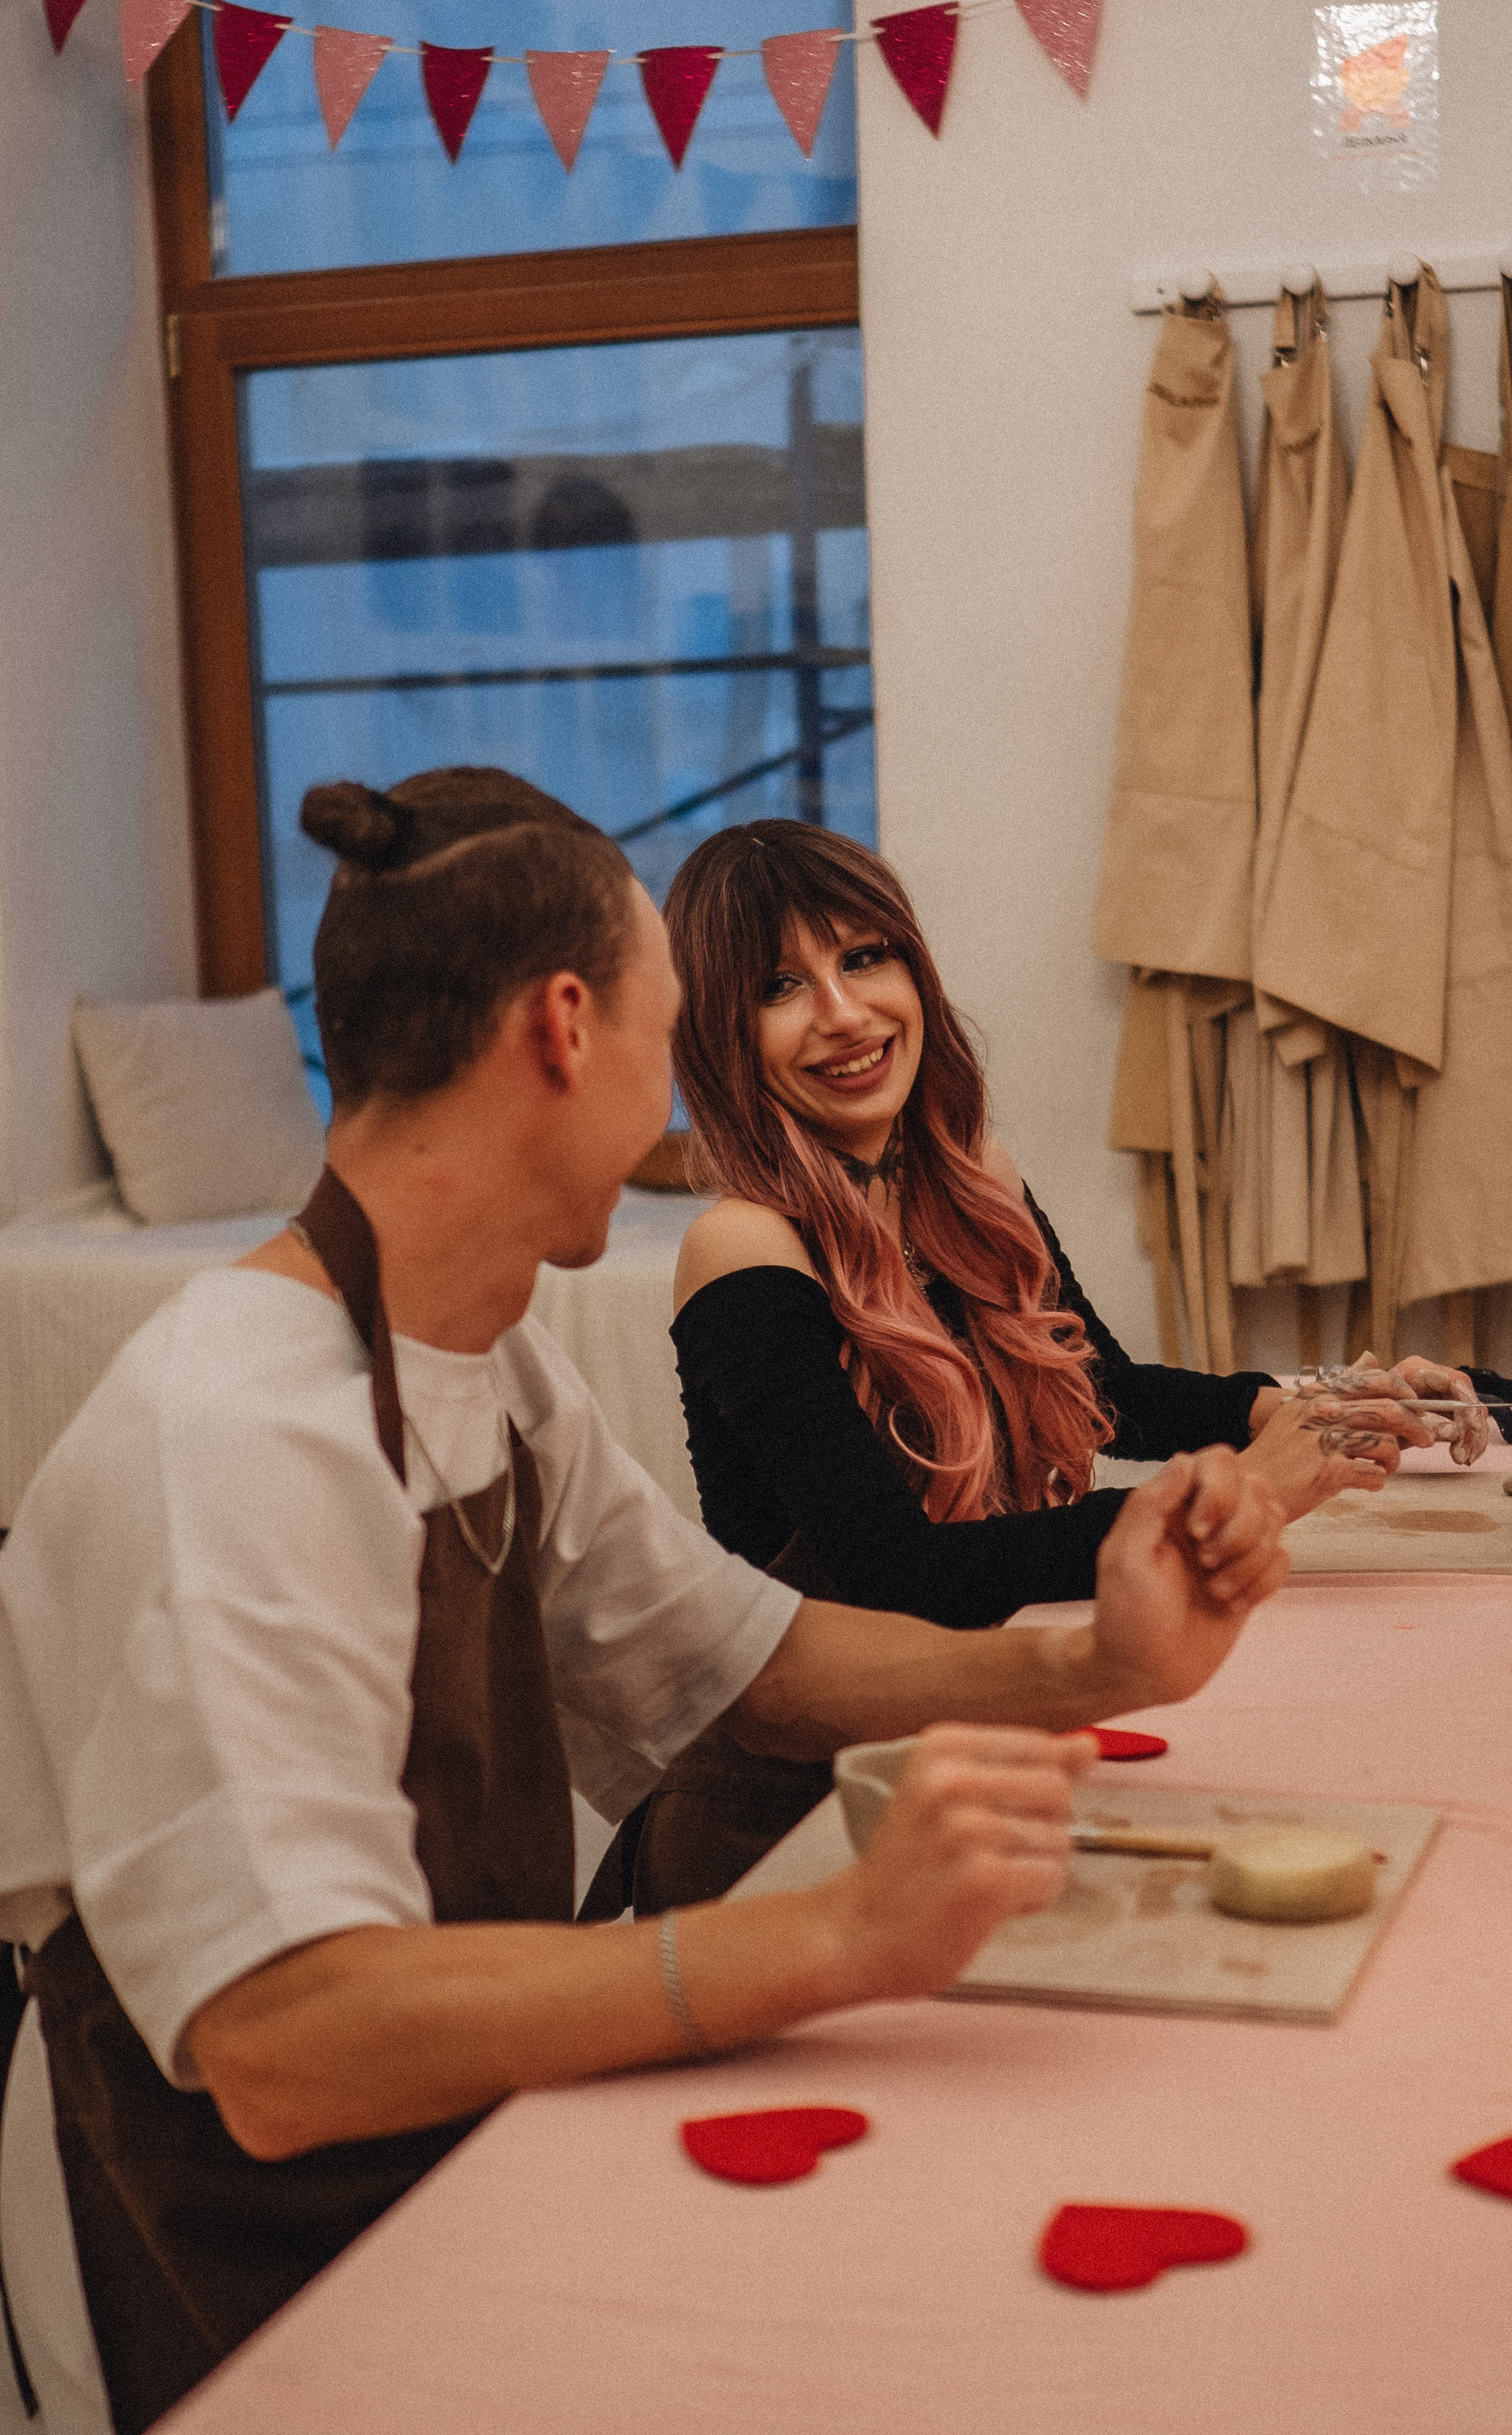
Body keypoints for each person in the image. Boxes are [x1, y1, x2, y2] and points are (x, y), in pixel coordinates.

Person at [0, 770, 1290, 2435]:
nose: (678, 1101)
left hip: (457, 2131)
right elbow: (285, 2039)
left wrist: (1102, 1663)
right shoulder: (231, 1438)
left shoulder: (491, 1366)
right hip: (235, 2251)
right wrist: (832, 1935)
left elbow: (748, 1655)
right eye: (675, 1030)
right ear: (562, 1029)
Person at [624, 820, 1488, 1907]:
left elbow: (1101, 1395)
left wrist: (1313, 1401)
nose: (844, 1014)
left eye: (863, 958)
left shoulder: (963, 1174)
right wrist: (1218, 1503)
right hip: (792, 1814)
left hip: (962, 1749)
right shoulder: (743, 1245)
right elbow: (900, 1575)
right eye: (780, 987)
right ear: (720, 1033)